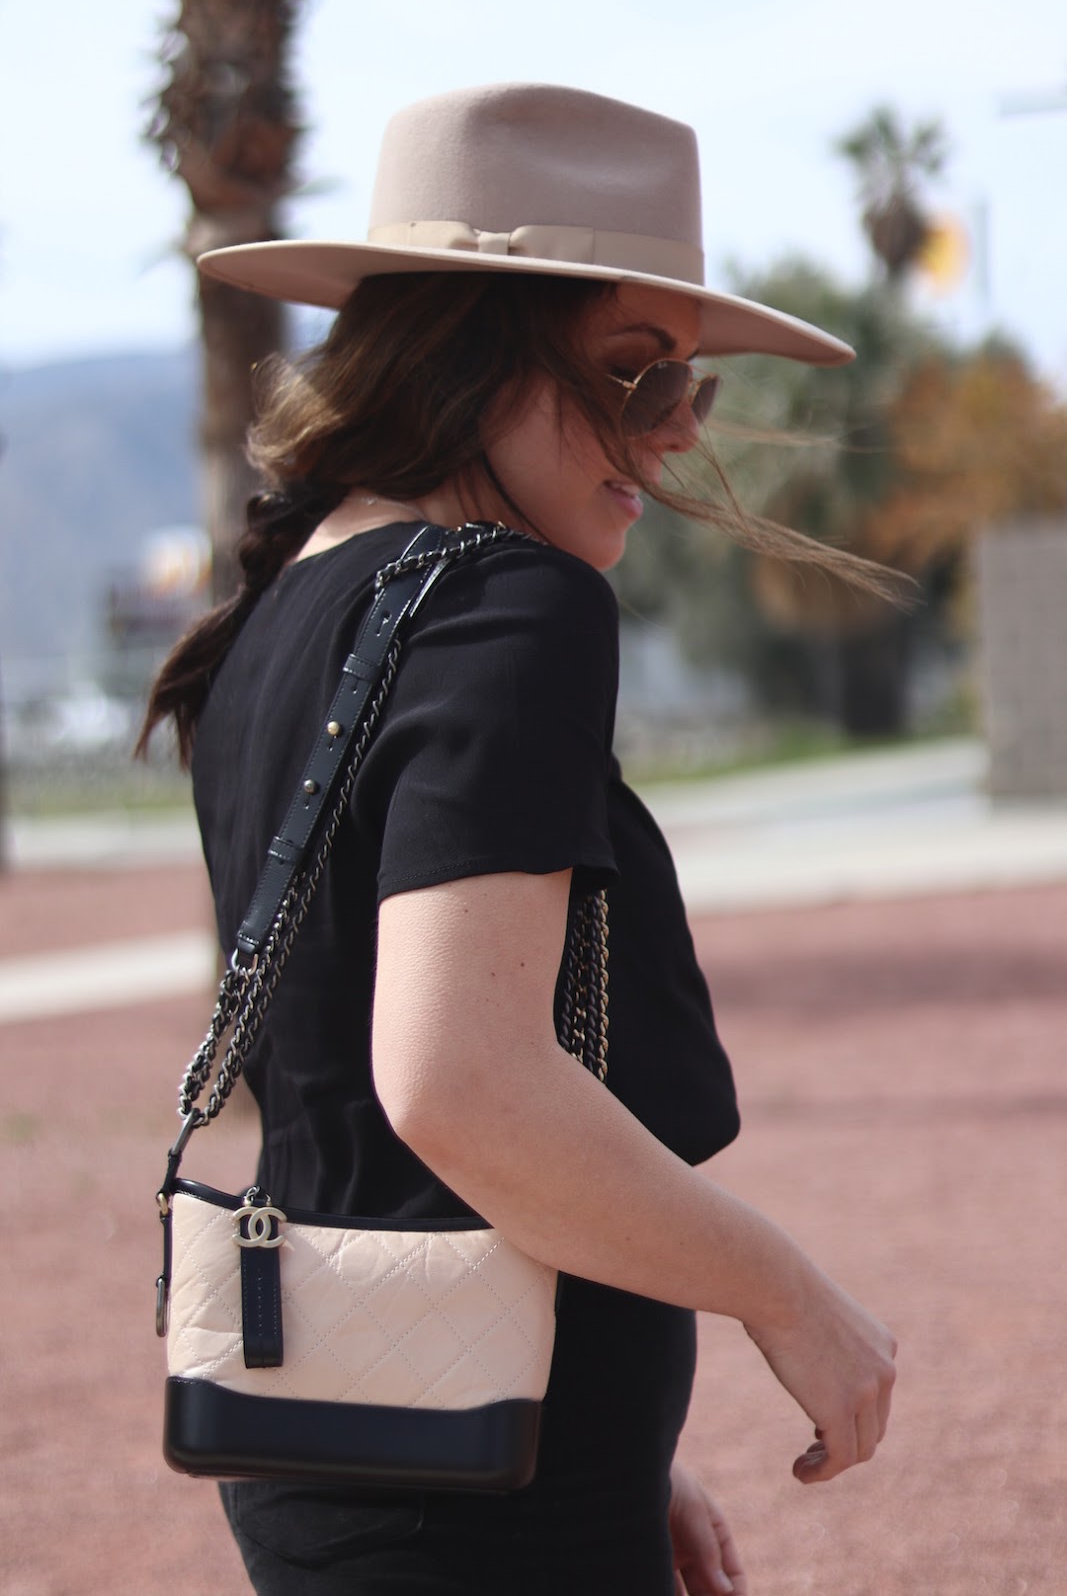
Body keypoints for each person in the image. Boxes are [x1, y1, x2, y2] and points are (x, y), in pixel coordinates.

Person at [141, 83, 896, 1596]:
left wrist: (597, 1436)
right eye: (633, 371)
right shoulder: (508, 599)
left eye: (690, 385)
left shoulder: (284, 608)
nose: (674, 431)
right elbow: (459, 1085)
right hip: (480, 1513)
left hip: (378, 1437)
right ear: (472, 345)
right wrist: (787, 1294)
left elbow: (348, 1085)